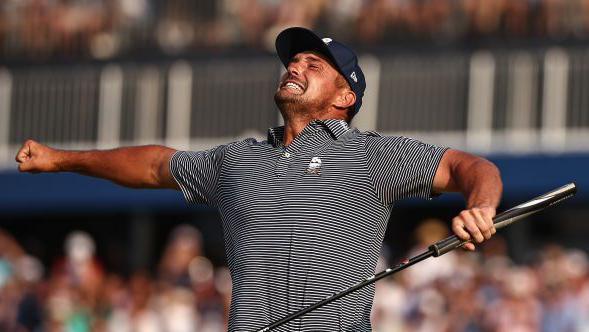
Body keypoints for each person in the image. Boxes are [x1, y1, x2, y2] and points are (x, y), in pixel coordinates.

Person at [15, 27, 502, 331]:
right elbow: (151, 166)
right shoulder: (238, 160)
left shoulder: (370, 154)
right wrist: (61, 159)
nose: (294, 66)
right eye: (293, 61)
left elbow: (472, 167)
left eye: (314, 65)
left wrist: (481, 206)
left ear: (344, 97)